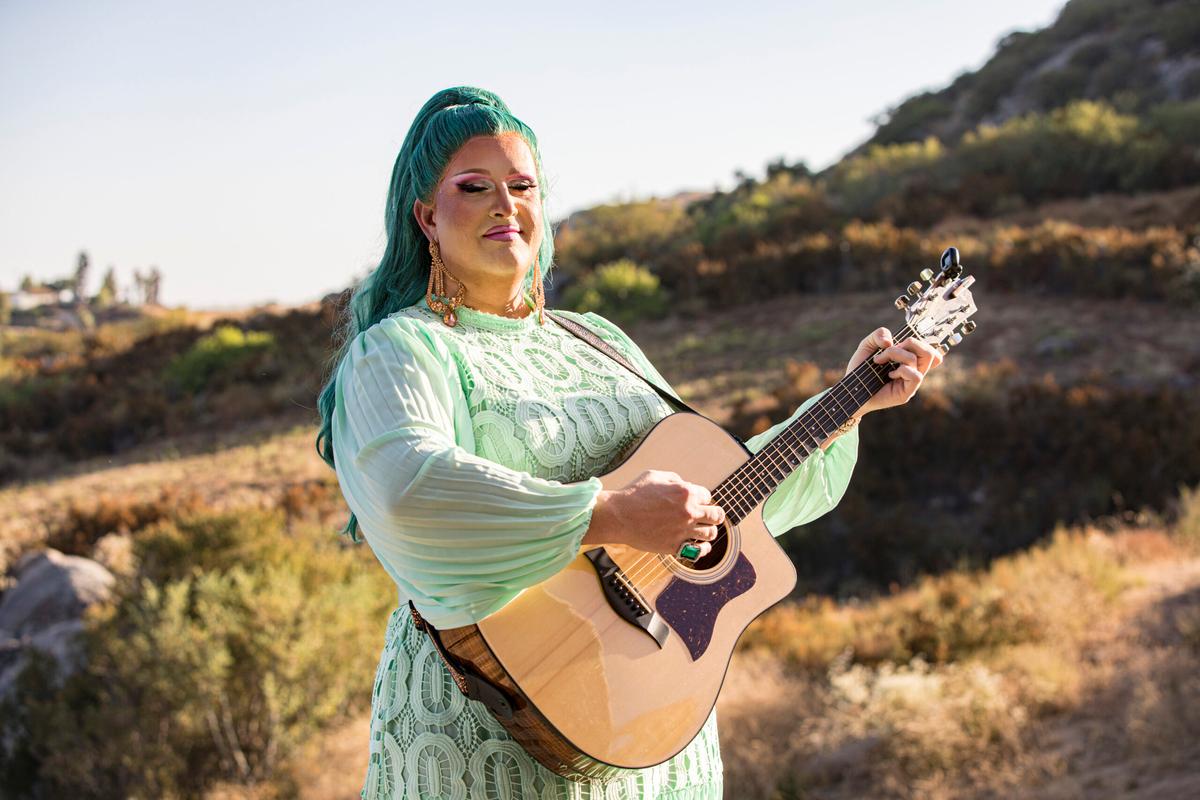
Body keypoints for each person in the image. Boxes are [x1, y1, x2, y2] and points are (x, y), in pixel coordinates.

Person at [315, 86, 942, 800]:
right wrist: (608, 516)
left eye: (523, 186)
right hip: (491, 733)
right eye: (474, 186)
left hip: (652, 736)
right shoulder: (400, 351)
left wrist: (844, 405)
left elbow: (720, 500)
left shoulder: (599, 340)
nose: (505, 204)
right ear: (427, 215)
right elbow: (409, 491)